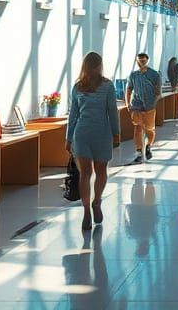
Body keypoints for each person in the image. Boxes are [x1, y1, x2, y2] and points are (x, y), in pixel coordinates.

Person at [66, 51, 121, 230]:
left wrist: (68, 138)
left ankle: (93, 204)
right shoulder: (105, 85)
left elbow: (73, 116)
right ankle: (90, 207)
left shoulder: (79, 87)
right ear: (99, 66)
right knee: (98, 171)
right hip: (98, 133)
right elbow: (112, 111)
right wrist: (116, 133)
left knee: (88, 173)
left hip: (83, 133)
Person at [126, 52, 161, 164]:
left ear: (147, 60)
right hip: (136, 105)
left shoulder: (155, 75)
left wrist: (154, 103)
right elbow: (129, 89)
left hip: (149, 105)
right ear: (137, 61)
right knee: (138, 128)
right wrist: (128, 104)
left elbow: (158, 92)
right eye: (139, 60)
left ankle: (148, 146)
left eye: (143, 60)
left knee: (149, 129)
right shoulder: (133, 75)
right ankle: (139, 152)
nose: (141, 62)